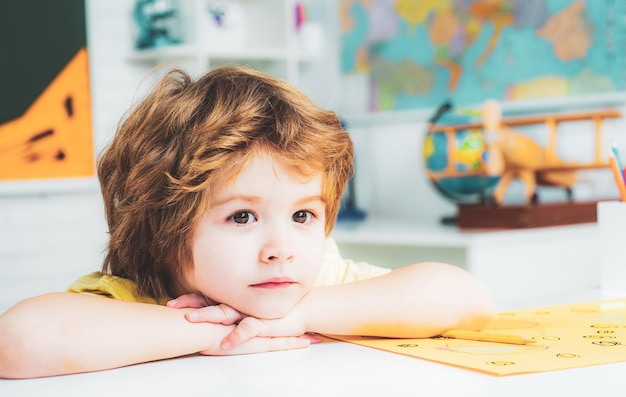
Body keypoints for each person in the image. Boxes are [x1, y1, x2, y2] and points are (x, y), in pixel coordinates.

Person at [0, 66, 495, 379]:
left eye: (303, 214)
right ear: (161, 229)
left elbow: (470, 299)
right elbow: (16, 343)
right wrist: (212, 332)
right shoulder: (134, 298)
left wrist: (298, 316)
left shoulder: (312, 287)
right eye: (242, 216)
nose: (281, 247)